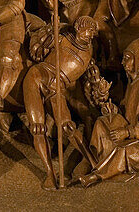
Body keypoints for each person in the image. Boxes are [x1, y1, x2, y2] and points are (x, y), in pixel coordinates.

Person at [81, 38, 139, 184]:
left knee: (123, 149)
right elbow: (128, 109)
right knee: (102, 122)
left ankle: (97, 175)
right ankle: (93, 162)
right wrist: (115, 109)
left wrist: (128, 132)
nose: (123, 62)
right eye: (124, 57)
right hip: (133, 128)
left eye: (128, 58)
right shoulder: (133, 78)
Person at [22, 15, 98, 189]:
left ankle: (94, 163)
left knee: (68, 126)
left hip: (57, 88)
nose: (92, 35)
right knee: (38, 128)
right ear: (79, 28)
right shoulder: (62, 37)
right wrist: (49, 37)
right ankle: (50, 174)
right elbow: (36, 52)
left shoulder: (89, 52)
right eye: (89, 30)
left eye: (94, 32)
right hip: (37, 77)